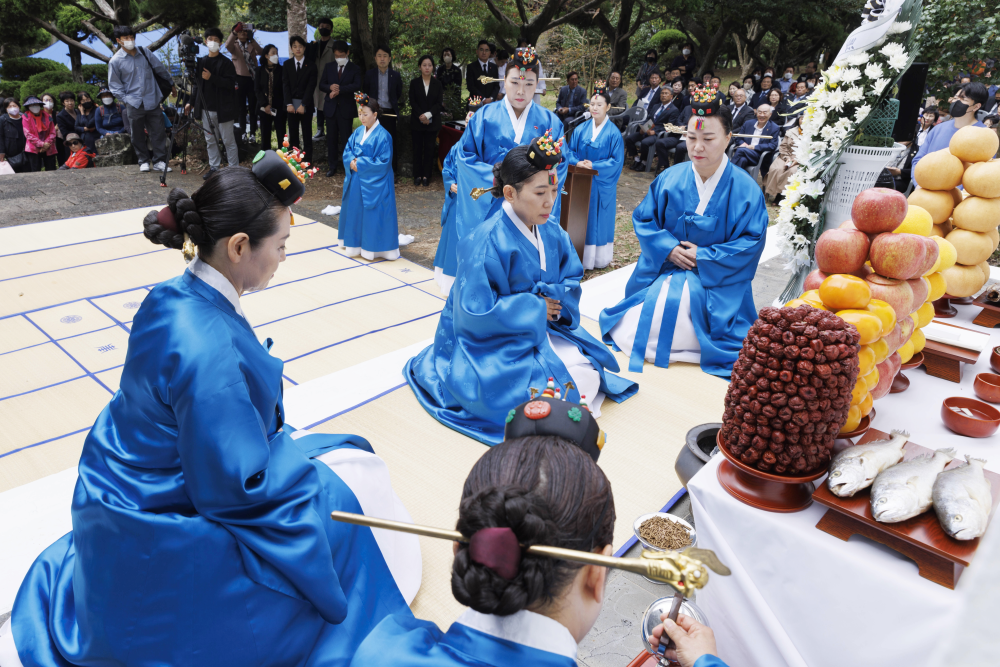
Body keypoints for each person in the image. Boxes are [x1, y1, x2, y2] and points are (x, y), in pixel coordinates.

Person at [5, 157, 418, 667]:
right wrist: (292, 471)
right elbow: (234, 489)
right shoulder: (209, 348)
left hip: (116, 484)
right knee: (344, 493)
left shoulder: (172, 294)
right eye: (281, 246)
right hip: (165, 511)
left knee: (337, 457)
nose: (284, 258)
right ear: (240, 246)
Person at [407, 139, 636, 444]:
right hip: (493, 343)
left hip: (542, 329)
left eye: (554, 191)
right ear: (510, 193)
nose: (549, 202)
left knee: (585, 371)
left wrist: (554, 301)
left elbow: (571, 278)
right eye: (540, 193)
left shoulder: (552, 231)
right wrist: (534, 307)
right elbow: (473, 311)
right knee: (548, 392)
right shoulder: (485, 241)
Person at [600, 88, 768, 377]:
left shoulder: (746, 190)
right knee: (649, 313)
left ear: (728, 138)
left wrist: (704, 256)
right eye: (691, 138)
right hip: (666, 267)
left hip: (717, 279)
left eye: (708, 138)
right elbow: (644, 219)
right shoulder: (669, 179)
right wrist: (668, 247)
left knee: (683, 303)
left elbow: (752, 241)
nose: (698, 147)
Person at [454, 46, 567, 243]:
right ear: (503, 81)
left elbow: (560, 164)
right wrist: (497, 177)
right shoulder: (483, 117)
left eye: (529, 84)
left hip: (531, 202)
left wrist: (534, 188)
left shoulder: (550, 122)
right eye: (514, 82)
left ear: (538, 85)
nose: (521, 91)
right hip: (493, 196)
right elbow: (465, 157)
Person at [564, 85, 625, 270]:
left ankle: (597, 258)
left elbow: (616, 161)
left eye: (599, 104)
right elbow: (569, 152)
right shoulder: (581, 128)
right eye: (592, 104)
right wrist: (577, 162)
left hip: (600, 184)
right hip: (580, 181)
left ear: (608, 107)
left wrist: (594, 166)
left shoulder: (613, 133)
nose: (595, 108)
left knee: (597, 219)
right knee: (579, 217)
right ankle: (576, 254)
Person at [107, 25, 176, 174]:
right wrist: (127, 100)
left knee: (158, 132)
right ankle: (143, 161)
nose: (130, 40)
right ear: (119, 40)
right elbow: (114, 85)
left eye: (132, 37)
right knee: (137, 134)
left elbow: (160, 68)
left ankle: (159, 161)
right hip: (133, 102)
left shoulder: (145, 52)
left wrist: (171, 83)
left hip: (152, 99)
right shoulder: (115, 61)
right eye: (126, 38)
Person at [340, 93, 399, 260]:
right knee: (356, 211)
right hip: (358, 179)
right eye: (360, 113)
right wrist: (351, 160)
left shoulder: (384, 135)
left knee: (374, 213)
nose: (361, 117)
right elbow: (347, 150)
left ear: (375, 114)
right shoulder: (358, 131)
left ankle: (375, 248)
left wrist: (361, 164)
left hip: (376, 181)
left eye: (365, 114)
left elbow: (384, 161)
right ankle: (354, 244)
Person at [911, 82, 988, 183]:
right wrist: (919, 184)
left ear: (976, 106)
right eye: (956, 98)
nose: (956, 102)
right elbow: (918, 160)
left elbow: (983, 173)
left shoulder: (984, 136)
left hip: (957, 195)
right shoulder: (938, 128)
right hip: (925, 189)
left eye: (963, 99)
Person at [194, 28, 240, 180]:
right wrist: (191, 103)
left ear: (220, 43)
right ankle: (214, 167)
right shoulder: (201, 62)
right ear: (205, 41)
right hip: (206, 109)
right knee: (210, 140)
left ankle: (234, 169)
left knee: (228, 140)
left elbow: (230, 84)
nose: (212, 42)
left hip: (224, 109)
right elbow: (197, 85)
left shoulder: (226, 63)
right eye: (209, 39)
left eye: (216, 39)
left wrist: (212, 77)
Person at [319, 39, 362, 177]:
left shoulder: (354, 68)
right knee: (331, 139)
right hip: (331, 108)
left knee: (346, 139)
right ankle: (332, 166)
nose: (339, 58)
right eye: (336, 55)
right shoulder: (329, 66)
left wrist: (340, 90)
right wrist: (330, 87)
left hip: (346, 108)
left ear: (347, 53)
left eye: (341, 55)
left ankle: (347, 166)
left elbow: (357, 85)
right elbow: (322, 84)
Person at [362, 45, 403, 174]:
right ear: (375, 58)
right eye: (379, 56)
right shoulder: (369, 74)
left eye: (385, 56)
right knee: (372, 142)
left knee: (390, 142)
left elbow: (398, 93)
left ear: (390, 59)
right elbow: (365, 93)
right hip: (374, 113)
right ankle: (373, 170)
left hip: (390, 113)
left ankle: (391, 170)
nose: (382, 59)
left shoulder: (395, 75)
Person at [283, 35, 318, 163]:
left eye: (300, 46)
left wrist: (304, 104)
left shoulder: (312, 66)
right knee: (293, 134)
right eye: (295, 46)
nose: (298, 49)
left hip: (306, 104)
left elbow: (311, 87)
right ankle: (294, 160)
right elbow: (285, 85)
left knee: (307, 133)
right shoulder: (287, 64)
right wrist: (288, 103)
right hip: (291, 105)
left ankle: (307, 160)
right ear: (291, 48)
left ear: (304, 48)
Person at [409, 55, 443, 186]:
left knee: (429, 149)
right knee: (417, 148)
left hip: (432, 122)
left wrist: (428, 115)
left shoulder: (438, 84)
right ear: (419, 67)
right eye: (424, 65)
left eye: (429, 65)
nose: (427, 67)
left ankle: (426, 175)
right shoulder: (414, 83)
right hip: (417, 121)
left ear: (433, 67)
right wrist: (422, 116)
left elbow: (438, 103)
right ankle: (417, 175)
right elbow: (413, 102)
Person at [225, 21, 263, 139]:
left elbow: (261, 52)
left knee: (252, 107)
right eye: (240, 31)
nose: (243, 33)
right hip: (239, 78)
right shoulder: (234, 45)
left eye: (245, 31)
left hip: (252, 78)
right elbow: (227, 45)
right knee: (241, 108)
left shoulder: (251, 43)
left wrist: (252, 39)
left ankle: (252, 132)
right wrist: (234, 31)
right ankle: (242, 132)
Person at [626, 87, 679, 172]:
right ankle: (636, 159)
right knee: (629, 138)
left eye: (666, 93)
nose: (663, 95)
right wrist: (644, 128)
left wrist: (655, 131)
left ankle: (644, 162)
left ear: (671, 96)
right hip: (648, 129)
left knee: (645, 142)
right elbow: (649, 119)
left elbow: (669, 125)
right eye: (662, 93)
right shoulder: (656, 106)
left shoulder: (674, 110)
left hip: (658, 133)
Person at [306, 17, 336, 140]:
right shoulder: (314, 45)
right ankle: (320, 130)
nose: (324, 29)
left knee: (329, 105)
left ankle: (331, 130)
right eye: (321, 26)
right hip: (316, 80)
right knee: (318, 105)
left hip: (330, 81)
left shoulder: (334, 46)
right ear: (318, 28)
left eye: (327, 27)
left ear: (331, 30)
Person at [255, 44, 287, 151]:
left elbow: (285, 89)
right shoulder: (259, 71)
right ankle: (266, 159)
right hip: (264, 108)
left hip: (279, 108)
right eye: (273, 53)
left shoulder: (282, 70)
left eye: (277, 53)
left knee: (281, 135)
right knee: (265, 135)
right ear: (266, 55)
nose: (276, 55)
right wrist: (265, 104)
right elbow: (257, 89)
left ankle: (283, 160)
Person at [732, 104, 779, 171]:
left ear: (770, 114)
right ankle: (737, 179)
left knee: (740, 150)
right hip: (745, 152)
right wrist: (742, 143)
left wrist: (754, 147)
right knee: (742, 160)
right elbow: (739, 137)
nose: (762, 115)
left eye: (765, 112)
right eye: (759, 112)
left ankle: (727, 172)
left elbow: (772, 145)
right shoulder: (748, 123)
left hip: (759, 155)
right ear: (756, 113)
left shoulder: (774, 127)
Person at [21, 96, 58, 172]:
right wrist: (41, 144)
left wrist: (46, 144)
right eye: (32, 105)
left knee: (51, 168)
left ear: (40, 105)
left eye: (37, 104)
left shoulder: (47, 116)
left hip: (49, 145)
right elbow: (28, 134)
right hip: (33, 148)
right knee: (35, 170)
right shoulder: (26, 116)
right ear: (28, 107)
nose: (35, 106)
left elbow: (52, 131)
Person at [765, 131, 800, 202]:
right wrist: (787, 158)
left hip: (801, 159)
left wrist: (798, 160)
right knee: (777, 169)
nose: (802, 121)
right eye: (801, 118)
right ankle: (774, 193)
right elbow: (783, 146)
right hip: (786, 156)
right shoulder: (791, 131)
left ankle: (782, 195)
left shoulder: (813, 132)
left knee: (792, 171)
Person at [0, 98, 29, 173]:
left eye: (14, 105)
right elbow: (0, 136)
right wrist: (1, 152)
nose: (13, 108)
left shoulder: (25, 117)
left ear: (19, 107)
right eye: (10, 106)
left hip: (26, 150)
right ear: (6, 109)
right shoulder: (3, 119)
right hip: (11, 153)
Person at [55, 92, 78, 164]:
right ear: (63, 103)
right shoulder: (60, 116)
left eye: (71, 100)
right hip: (71, 143)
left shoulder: (78, 111)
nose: (70, 103)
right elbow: (64, 132)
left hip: (82, 141)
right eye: (67, 101)